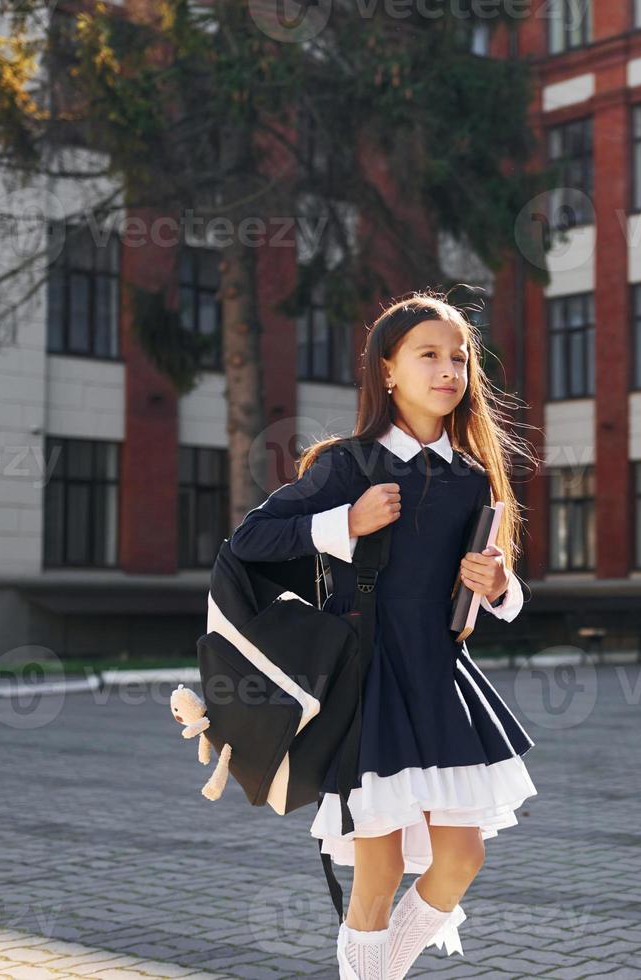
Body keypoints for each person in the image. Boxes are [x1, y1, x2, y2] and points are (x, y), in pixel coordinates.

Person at [228, 291, 539, 979]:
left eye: (459, 357)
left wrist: (498, 587)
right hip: (369, 684)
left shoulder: (470, 477)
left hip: (441, 678)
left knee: (462, 857)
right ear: (388, 371)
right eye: (428, 355)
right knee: (381, 868)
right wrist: (347, 524)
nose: (449, 369)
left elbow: (493, 583)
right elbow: (250, 539)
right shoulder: (348, 465)